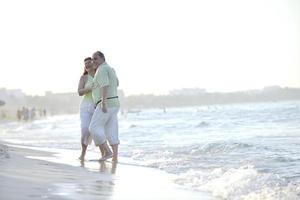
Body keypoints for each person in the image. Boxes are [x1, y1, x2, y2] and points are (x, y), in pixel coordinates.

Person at [89, 51, 120, 162]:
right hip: (115, 103)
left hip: (107, 103)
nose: (93, 61)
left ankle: (107, 152)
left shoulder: (102, 69)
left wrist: (103, 101)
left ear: (102, 58)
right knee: (111, 130)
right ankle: (114, 158)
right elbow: (116, 83)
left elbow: (105, 85)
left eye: (95, 58)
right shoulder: (110, 69)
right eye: (92, 59)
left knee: (93, 127)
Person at [77, 57, 96, 161]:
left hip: (97, 106)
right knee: (85, 130)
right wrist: (88, 89)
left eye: (89, 63)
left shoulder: (99, 75)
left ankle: (105, 153)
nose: (87, 65)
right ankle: (83, 154)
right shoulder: (84, 78)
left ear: (94, 63)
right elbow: (79, 92)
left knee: (97, 130)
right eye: (85, 64)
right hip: (85, 106)